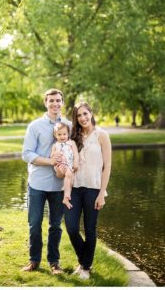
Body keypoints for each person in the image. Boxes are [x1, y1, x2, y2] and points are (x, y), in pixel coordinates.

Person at [21, 88, 70, 274]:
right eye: (51, 101)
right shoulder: (34, 126)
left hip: (59, 185)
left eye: (58, 100)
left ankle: (54, 263)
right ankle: (34, 261)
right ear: (45, 103)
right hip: (37, 183)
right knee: (34, 224)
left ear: (62, 103)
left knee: (55, 226)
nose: (55, 104)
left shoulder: (69, 125)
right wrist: (50, 161)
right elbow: (26, 154)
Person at [64, 100, 112, 282]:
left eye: (85, 113)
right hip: (74, 188)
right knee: (71, 227)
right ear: (75, 118)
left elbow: (107, 167)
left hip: (94, 188)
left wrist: (102, 193)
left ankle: (85, 267)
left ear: (91, 113)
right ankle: (85, 261)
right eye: (79, 115)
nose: (83, 118)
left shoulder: (102, 135)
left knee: (90, 229)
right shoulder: (73, 137)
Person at [50, 121, 79, 209]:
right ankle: (66, 195)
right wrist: (55, 153)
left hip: (69, 164)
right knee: (68, 175)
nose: (62, 136)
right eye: (59, 134)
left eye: (64, 134)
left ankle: (66, 196)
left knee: (70, 177)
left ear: (68, 134)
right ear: (55, 135)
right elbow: (51, 156)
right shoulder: (55, 145)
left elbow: (76, 154)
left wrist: (76, 163)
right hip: (60, 164)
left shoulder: (71, 143)